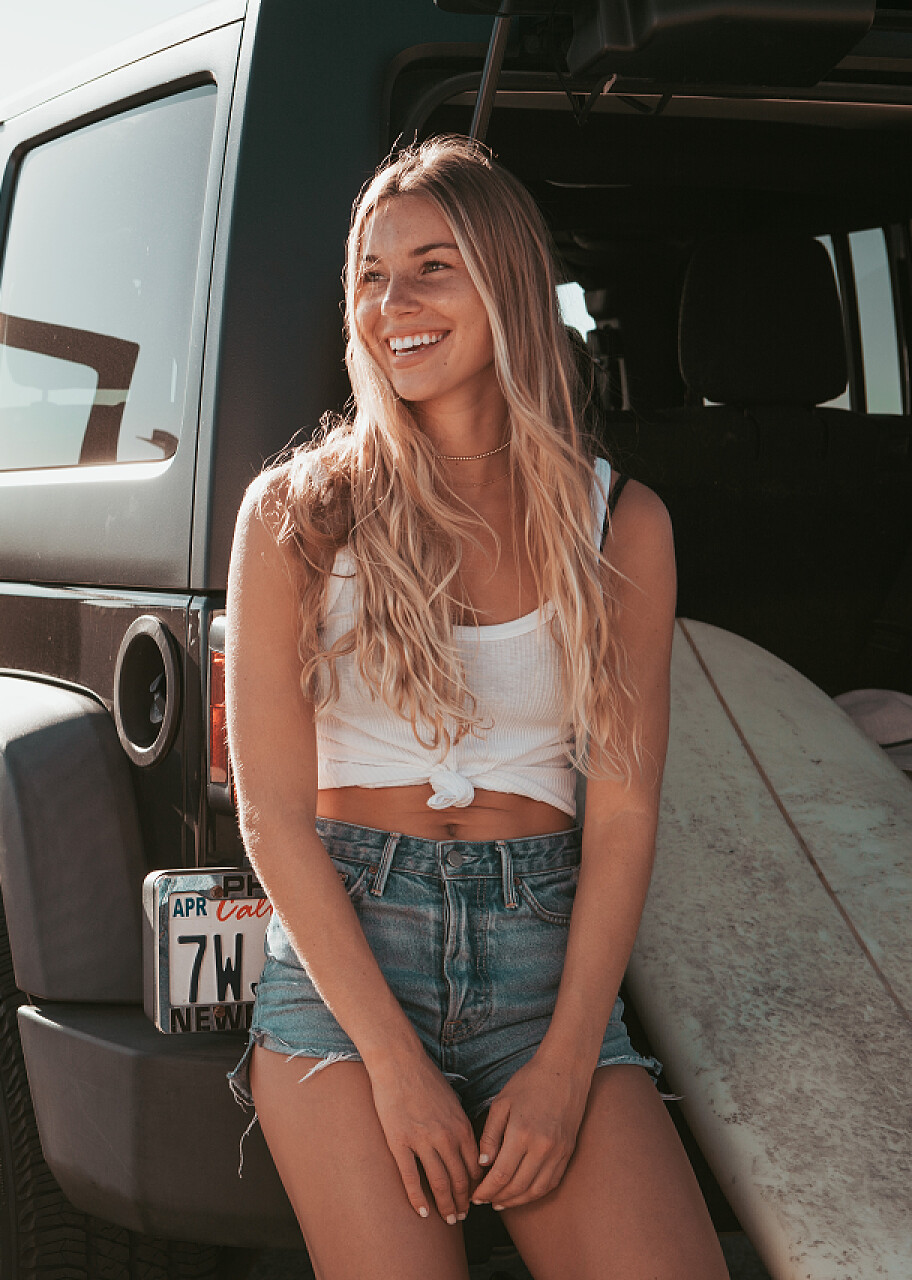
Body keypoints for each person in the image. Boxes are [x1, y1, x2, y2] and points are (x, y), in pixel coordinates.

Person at [223, 136, 728, 1277]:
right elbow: (272, 819)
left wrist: (563, 1064)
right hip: (352, 963)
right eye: (369, 273)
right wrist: (395, 1064)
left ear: (507, 282)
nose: (390, 302)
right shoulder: (298, 516)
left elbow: (625, 818)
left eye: (431, 267)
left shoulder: (619, 525)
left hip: (545, 970)